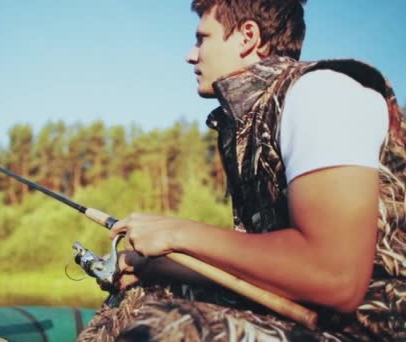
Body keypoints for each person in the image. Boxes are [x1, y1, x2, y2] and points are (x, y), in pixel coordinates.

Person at [78, 0, 406, 341]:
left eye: (203, 38)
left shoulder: (320, 94)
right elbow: (271, 262)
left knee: (169, 328)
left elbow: (336, 276)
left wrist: (179, 233)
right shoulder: (246, 122)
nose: (191, 55)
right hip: (305, 315)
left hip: (374, 331)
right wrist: (152, 264)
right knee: (140, 295)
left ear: (247, 36)